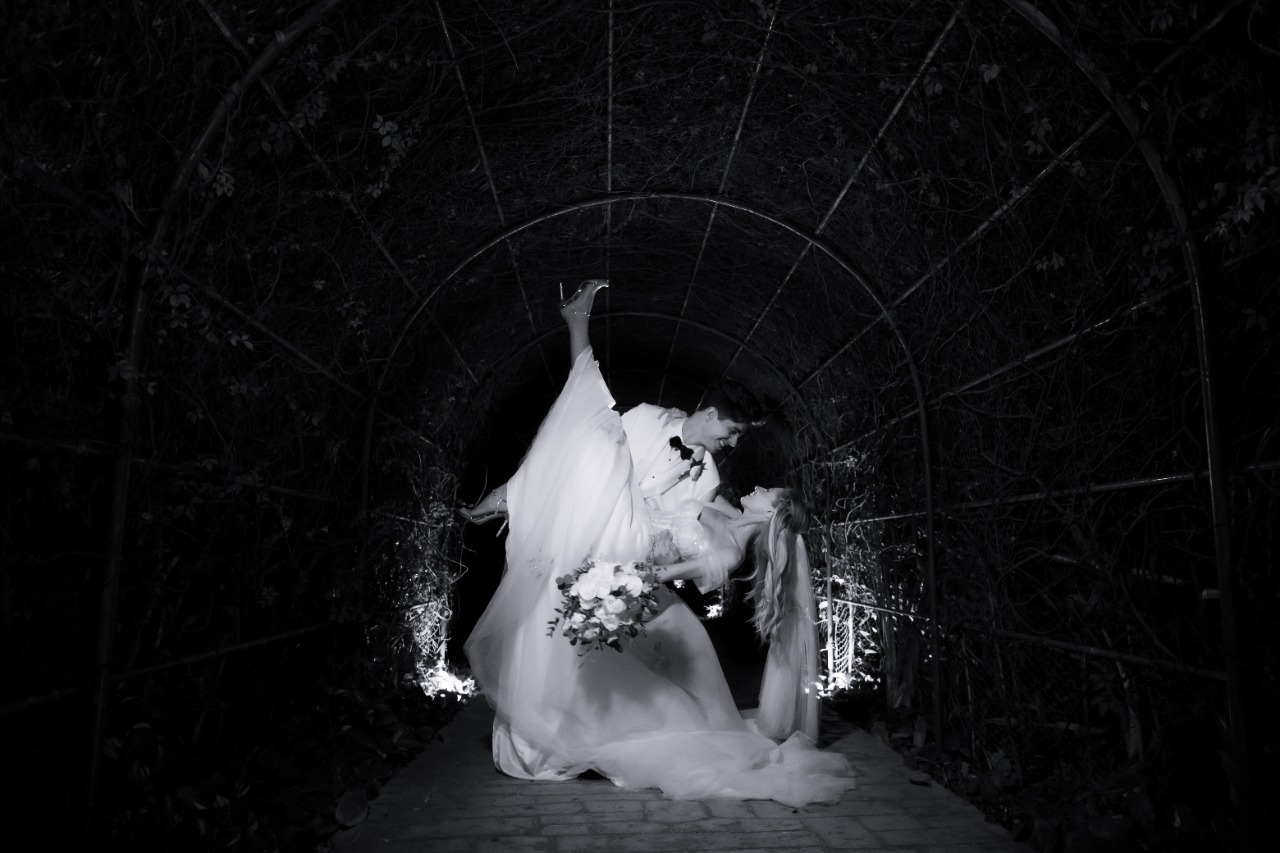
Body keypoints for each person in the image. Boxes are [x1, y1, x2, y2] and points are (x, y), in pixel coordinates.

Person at [462, 279, 851, 805]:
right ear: (710, 415)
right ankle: (575, 336)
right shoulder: (643, 419)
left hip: (628, 555)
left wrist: (647, 572)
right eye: (731, 432)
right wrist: (515, 492)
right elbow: (572, 460)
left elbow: (704, 536)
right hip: (594, 529)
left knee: (596, 654)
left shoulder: (709, 479)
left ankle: (591, 735)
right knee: (595, 432)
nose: (732, 445)